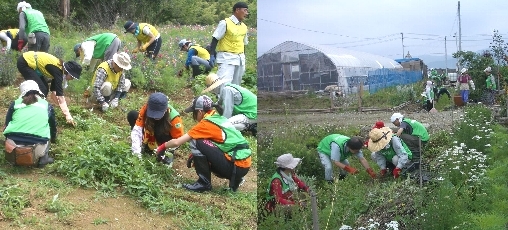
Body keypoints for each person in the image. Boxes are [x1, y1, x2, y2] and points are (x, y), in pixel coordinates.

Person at [156, 95, 251, 192]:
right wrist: (198, 156)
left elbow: (177, 142)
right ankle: (236, 180)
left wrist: (162, 147)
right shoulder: (218, 118)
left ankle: (204, 183)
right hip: (243, 165)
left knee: (195, 140)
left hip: (235, 165)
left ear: (200, 112)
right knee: (200, 144)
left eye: (194, 113)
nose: (194, 117)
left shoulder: (205, 124)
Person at [17, 51, 82, 125]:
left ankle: (34, 105)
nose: (72, 79)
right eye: (72, 77)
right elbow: (60, 96)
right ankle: (31, 110)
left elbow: (54, 91)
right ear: (68, 72)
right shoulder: (58, 72)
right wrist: (68, 115)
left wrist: (62, 108)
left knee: (45, 89)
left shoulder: (60, 70)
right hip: (25, 62)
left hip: (31, 64)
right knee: (42, 89)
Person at [2, 80, 56, 168]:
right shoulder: (46, 105)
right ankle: (43, 160)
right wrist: (53, 138)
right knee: (47, 130)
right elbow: (53, 126)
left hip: (13, 145)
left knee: (10, 133)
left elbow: (7, 124)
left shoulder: (15, 103)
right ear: (38, 91)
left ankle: (13, 157)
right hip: (37, 147)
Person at [128, 92, 184, 165]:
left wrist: (163, 149)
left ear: (166, 109)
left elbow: (178, 141)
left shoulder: (175, 119)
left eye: (158, 114)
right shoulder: (146, 108)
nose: (155, 117)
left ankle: (164, 154)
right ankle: (146, 146)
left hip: (164, 141)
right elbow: (137, 129)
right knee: (132, 115)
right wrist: (136, 153)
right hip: (150, 134)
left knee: (159, 131)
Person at [209, 2, 249, 85]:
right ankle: (222, 98)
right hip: (227, 58)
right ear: (237, 10)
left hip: (240, 59)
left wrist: (243, 56)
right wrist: (212, 54)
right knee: (224, 84)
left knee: (236, 86)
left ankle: (232, 98)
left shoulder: (244, 27)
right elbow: (215, 39)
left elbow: (244, 43)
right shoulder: (225, 23)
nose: (246, 13)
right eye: (245, 10)